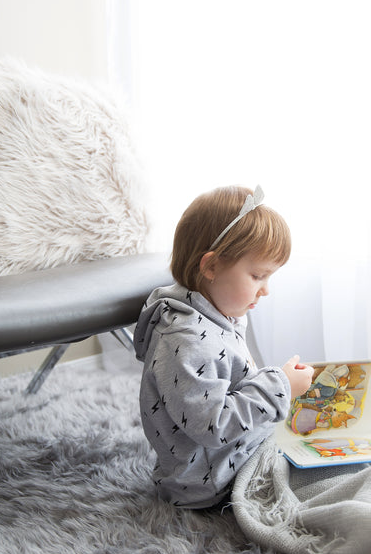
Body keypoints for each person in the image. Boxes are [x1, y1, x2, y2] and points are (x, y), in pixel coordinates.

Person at [133, 185, 315, 508]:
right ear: (211, 267)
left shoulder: (215, 315)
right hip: (210, 482)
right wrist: (279, 386)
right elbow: (214, 425)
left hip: (231, 456)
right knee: (321, 490)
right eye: (258, 275)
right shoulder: (185, 340)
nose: (265, 290)